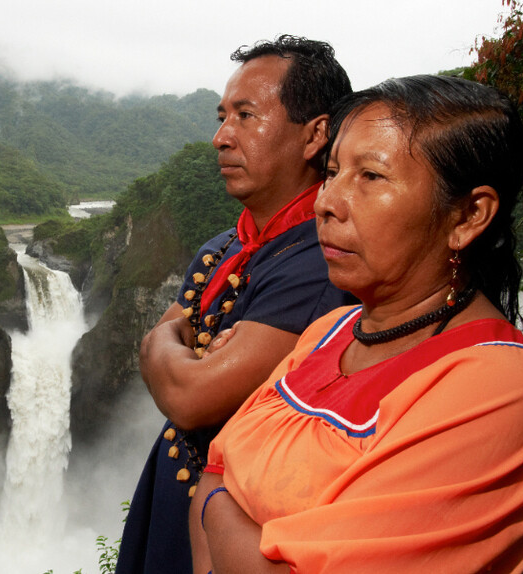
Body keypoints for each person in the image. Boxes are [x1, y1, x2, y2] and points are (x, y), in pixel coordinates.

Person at [191, 75, 523, 573]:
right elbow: (213, 470)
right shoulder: (328, 332)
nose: (324, 202)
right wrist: (224, 510)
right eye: (332, 172)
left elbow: (214, 484)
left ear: (467, 216)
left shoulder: (504, 391)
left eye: (370, 177)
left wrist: (217, 507)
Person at [115, 36, 356, 574]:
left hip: (239, 529)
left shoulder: (321, 261)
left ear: (315, 134)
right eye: (223, 117)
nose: (222, 137)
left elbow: (190, 396)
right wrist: (169, 347)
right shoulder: (224, 246)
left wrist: (168, 346)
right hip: (173, 504)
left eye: (247, 116)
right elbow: (166, 355)